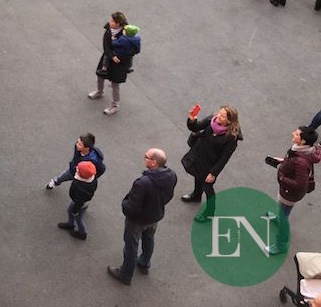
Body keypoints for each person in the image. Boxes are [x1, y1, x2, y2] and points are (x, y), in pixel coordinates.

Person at [107, 148, 177, 285]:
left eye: (146, 157)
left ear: (153, 162)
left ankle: (126, 274)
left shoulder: (143, 183)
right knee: (149, 239)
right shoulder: (171, 175)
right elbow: (169, 196)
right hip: (155, 216)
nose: (144, 158)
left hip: (137, 221)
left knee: (131, 246)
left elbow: (133, 207)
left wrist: (124, 205)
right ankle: (144, 262)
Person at [180, 106, 242, 222]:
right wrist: (192, 120)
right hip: (199, 156)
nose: (218, 116)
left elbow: (224, 158)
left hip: (210, 164)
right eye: (219, 113)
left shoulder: (231, 138)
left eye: (223, 116)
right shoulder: (211, 120)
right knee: (197, 176)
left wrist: (213, 173)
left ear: (229, 121)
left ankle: (209, 212)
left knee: (208, 187)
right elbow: (195, 127)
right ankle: (196, 196)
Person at [270, 126, 321, 254]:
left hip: (290, 193)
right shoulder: (301, 151)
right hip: (287, 190)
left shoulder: (300, 162)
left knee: (284, 216)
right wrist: (284, 161)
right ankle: (279, 218)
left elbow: (299, 184)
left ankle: (281, 245)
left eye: (297, 134)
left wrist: (282, 178)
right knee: (282, 210)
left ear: (303, 141)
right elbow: (294, 161)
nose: (293, 133)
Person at [88, 12, 138, 116]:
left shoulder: (127, 34)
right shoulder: (108, 30)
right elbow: (106, 46)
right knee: (100, 76)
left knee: (115, 84)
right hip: (108, 58)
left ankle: (115, 105)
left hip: (120, 63)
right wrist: (112, 56)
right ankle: (99, 91)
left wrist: (119, 57)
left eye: (112, 21)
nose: (109, 22)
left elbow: (132, 50)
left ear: (118, 24)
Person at [56, 161, 98, 240]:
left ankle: (82, 233)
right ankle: (71, 223)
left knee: (77, 216)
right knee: (74, 212)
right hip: (85, 201)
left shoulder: (80, 186)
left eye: (78, 169)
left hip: (80, 203)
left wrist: (75, 211)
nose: (77, 169)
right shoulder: (92, 178)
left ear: (82, 175)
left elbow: (79, 201)